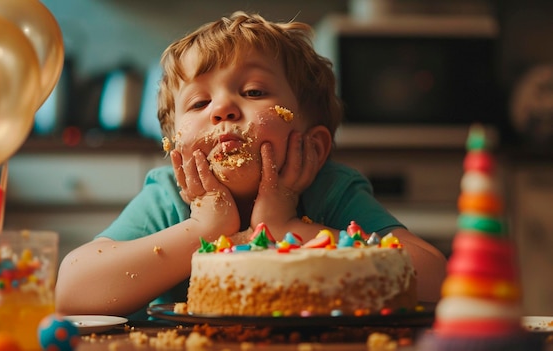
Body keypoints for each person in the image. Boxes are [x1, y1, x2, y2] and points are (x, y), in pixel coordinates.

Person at [55, 11, 447, 318]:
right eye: (198, 103)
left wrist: (286, 228)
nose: (223, 108)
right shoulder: (169, 200)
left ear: (315, 144)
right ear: (173, 148)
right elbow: (73, 292)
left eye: (254, 91)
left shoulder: (330, 191)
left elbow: (437, 281)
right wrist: (203, 228)